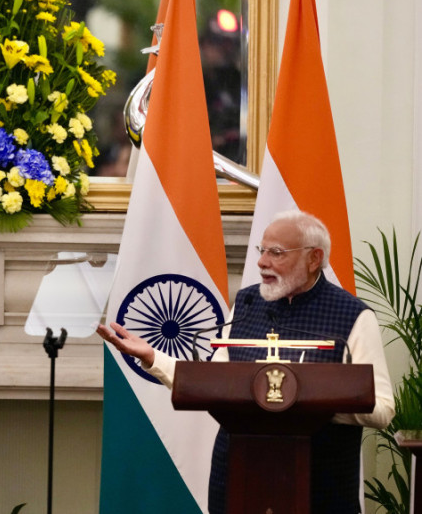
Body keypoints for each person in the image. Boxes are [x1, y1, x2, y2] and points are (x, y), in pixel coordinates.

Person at [97, 210, 394, 514]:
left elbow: (383, 409)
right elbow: (214, 384)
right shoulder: (248, 303)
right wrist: (153, 357)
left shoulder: (353, 316)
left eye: (276, 252)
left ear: (314, 258)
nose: (262, 262)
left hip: (319, 486)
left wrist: (306, 402)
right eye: (261, 250)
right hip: (238, 480)